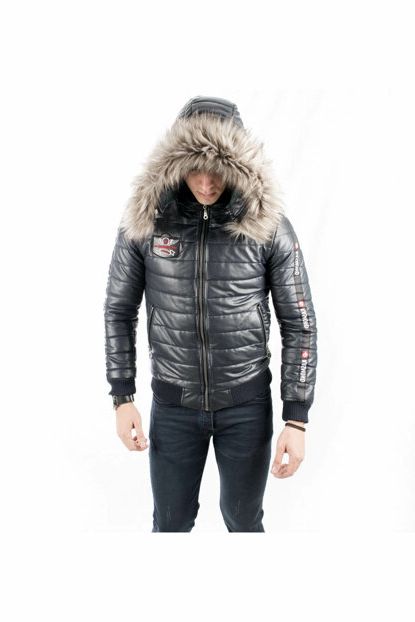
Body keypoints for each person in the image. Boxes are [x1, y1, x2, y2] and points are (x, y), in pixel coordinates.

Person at [104, 96, 318, 532]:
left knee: (243, 523)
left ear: (237, 165)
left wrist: (296, 419)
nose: (206, 183)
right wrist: (122, 397)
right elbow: (119, 310)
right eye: (194, 169)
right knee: (170, 524)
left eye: (217, 170)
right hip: (173, 406)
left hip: (246, 407)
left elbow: (300, 324)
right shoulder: (146, 222)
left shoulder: (267, 225)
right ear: (176, 163)